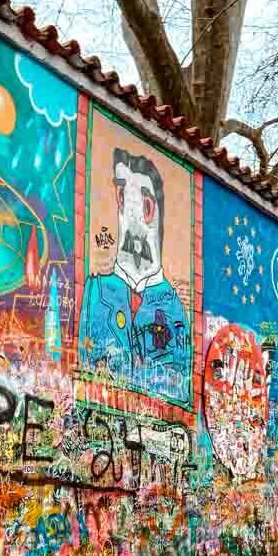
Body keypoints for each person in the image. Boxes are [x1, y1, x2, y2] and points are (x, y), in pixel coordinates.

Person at [79, 148, 190, 402]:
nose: (119, 204)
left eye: (122, 194)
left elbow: (180, 392)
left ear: (149, 206)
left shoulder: (174, 310)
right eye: (120, 193)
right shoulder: (96, 291)